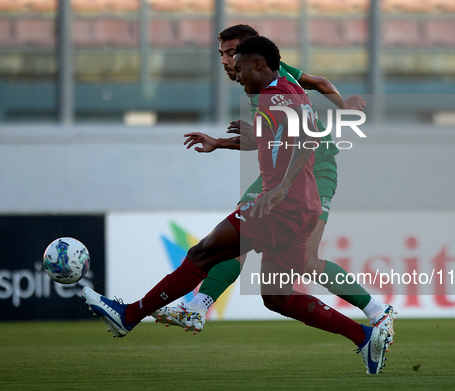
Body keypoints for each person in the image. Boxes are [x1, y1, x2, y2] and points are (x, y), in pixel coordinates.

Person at [83, 36, 392, 375]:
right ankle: (364, 337)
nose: (236, 72)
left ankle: (130, 315)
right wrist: (223, 143)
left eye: (240, 65)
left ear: (259, 64)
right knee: (278, 297)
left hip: (281, 204)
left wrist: (280, 188)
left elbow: (306, 141)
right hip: (301, 207)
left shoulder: (275, 95)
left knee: (203, 254)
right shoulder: (286, 94)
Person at [153, 24, 395, 337]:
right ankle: (197, 307)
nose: (226, 61)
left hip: (316, 165)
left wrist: (343, 107)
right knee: (237, 237)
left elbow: (319, 84)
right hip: (282, 170)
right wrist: (220, 142)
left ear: (254, 57)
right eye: (222, 54)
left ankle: (378, 311)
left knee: (307, 262)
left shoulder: (276, 77)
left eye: (232, 54)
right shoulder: (254, 86)